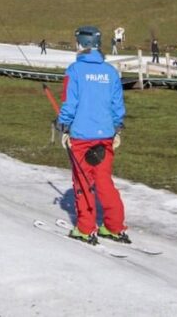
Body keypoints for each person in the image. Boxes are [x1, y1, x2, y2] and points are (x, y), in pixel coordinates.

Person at [56, 25, 129, 245]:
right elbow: (117, 105)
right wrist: (116, 129)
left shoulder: (74, 71)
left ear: (81, 44)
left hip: (81, 137)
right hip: (105, 136)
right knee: (104, 181)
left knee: (82, 181)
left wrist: (63, 124)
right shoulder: (110, 72)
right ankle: (115, 226)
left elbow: (70, 103)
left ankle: (86, 228)